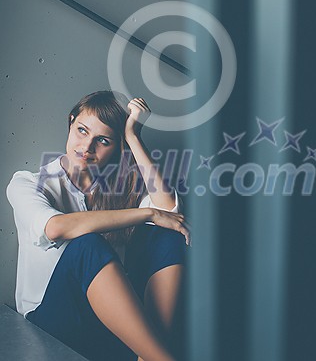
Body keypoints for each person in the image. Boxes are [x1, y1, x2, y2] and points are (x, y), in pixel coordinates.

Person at [6, 90, 191, 361]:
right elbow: (56, 228)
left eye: (102, 140)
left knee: (168, 235)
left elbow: (169, 211)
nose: (87, 147)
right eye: (82, 130)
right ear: (71, 123)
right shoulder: (28, 183)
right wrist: (145, 213)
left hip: (108, 321)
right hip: (53, 320)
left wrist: (133, 136)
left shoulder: (119, 191)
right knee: (87, 245)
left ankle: (148, 353)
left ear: (117, 148)